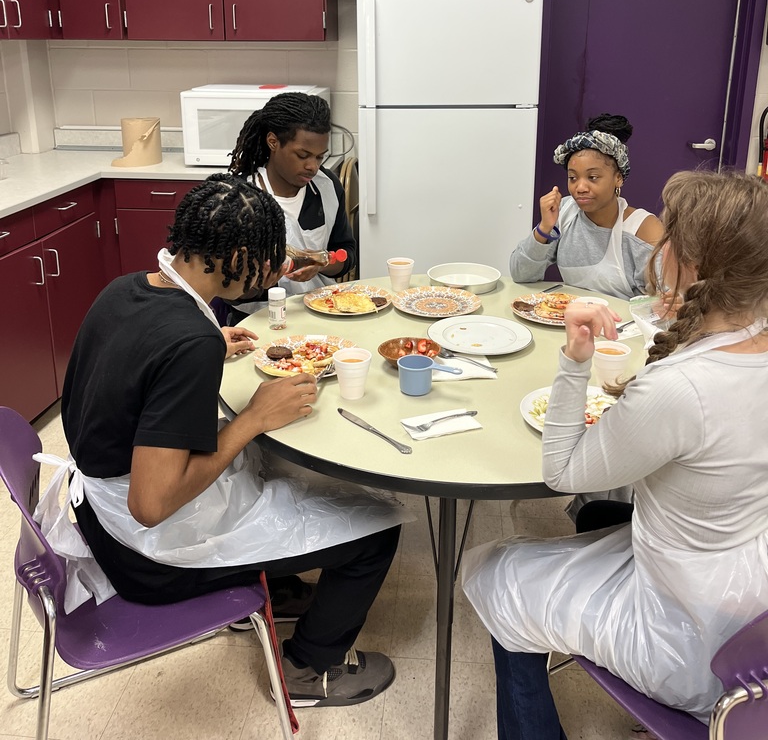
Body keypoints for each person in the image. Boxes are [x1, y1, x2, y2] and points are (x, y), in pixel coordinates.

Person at [51, 174, 404, 708]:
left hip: (97, 516)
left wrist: (209, 343)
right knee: (376, 533)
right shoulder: (186, 341)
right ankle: (307, 670)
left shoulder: (126, 288)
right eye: (268, 260)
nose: (274, 271)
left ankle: (271, 588)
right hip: (146, 553)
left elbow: (133, 368)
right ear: (236, 255)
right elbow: (150, 505)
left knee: (273, 474)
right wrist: (252, 418)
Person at [463, 170, 768, 738]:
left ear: (692, 262)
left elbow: (561, 472)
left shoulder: (683, 387)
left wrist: (575, 358)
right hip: (750, 601)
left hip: (690, 641)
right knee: (603, 518)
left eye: (669, 237)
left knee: (495, 571)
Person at [227, 92, 355, 321]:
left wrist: (323, 261)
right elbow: (225, 288)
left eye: (319, 157)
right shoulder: (240, 197)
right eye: (303, 155)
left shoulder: (326, 187)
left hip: (322, 312)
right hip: (256, 323)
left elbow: (348, 254)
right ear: (273, 142)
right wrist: (263, 282)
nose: (312, 167)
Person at [510, 113, 663, 300]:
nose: (580, 188)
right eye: (572, 178)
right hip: (568, 320)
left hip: (623, 327)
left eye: (592, 177)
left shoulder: (643, 229)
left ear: (618, 178)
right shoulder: (565, 212)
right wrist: (544, 228)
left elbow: (664, 305)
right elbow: (520, 274)